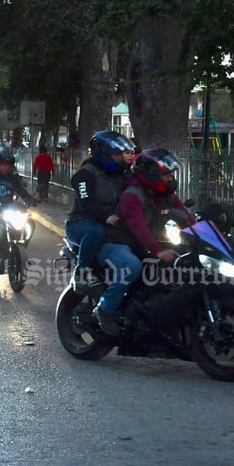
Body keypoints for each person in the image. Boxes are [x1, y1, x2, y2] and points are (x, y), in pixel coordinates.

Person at [93, 148, 195, 336]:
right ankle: (105, 309)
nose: (170, 178)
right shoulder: (133, 195)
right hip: (117, 243)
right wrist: (158, 250)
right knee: (131, 266)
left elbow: (187, 217)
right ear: (151, 174)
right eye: (165, 174)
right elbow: (139, 227)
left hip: (143, 245)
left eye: (170, 174)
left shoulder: (165, 196)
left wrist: (203, 235)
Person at [65, 130, 135, 294]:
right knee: (97, 231)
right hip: (81, 224)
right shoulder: (84, 174)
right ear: (103, 153)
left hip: (112, 224)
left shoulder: (120, 174)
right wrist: (106, 217)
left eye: (121, 154)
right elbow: (86, 205)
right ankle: (80, 271)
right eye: (116, 154)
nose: (120, 158)